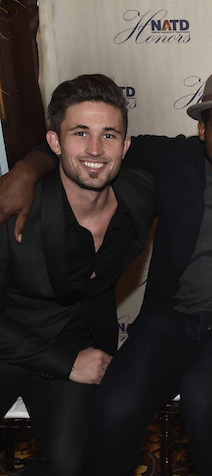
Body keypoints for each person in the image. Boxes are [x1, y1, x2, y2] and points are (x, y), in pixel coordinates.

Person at [0, 70, 212, 475]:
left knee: (204, 399)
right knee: (116, 402)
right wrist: (24, 172)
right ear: (201, 128)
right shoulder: (171, 158)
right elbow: (88, 151)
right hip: (171, 317)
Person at [0, 74, 158, 476]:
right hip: (8, 339)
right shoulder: (13, 208)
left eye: (108, 136)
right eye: (80, 133)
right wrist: (64, 362)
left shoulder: (140, 197)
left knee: (73, 468)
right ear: (54, 142)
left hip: (79, 342)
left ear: (125, 146)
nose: (95, 149)